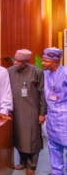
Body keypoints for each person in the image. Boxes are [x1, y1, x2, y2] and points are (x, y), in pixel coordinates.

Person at [8, 49, 46, 175]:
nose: (16, 63)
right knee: (19, 138)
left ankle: (32, 166)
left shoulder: (37, 72)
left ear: (26, 62)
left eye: (19, 61)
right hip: (15, 111)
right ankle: (23, 162)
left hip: (32, 111)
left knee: (33, 139)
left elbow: (42, 94)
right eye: (15, 60)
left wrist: (42, 113)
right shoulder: (9, 71)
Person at [42, 47, 67, 175]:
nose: (43, 63)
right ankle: (57, 171)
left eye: (46, 61)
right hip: (51, 116)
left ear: (55, 62)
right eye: (43, 60)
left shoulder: (65, 73)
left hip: (65, 117)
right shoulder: (45, 73)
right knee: (53, 145)